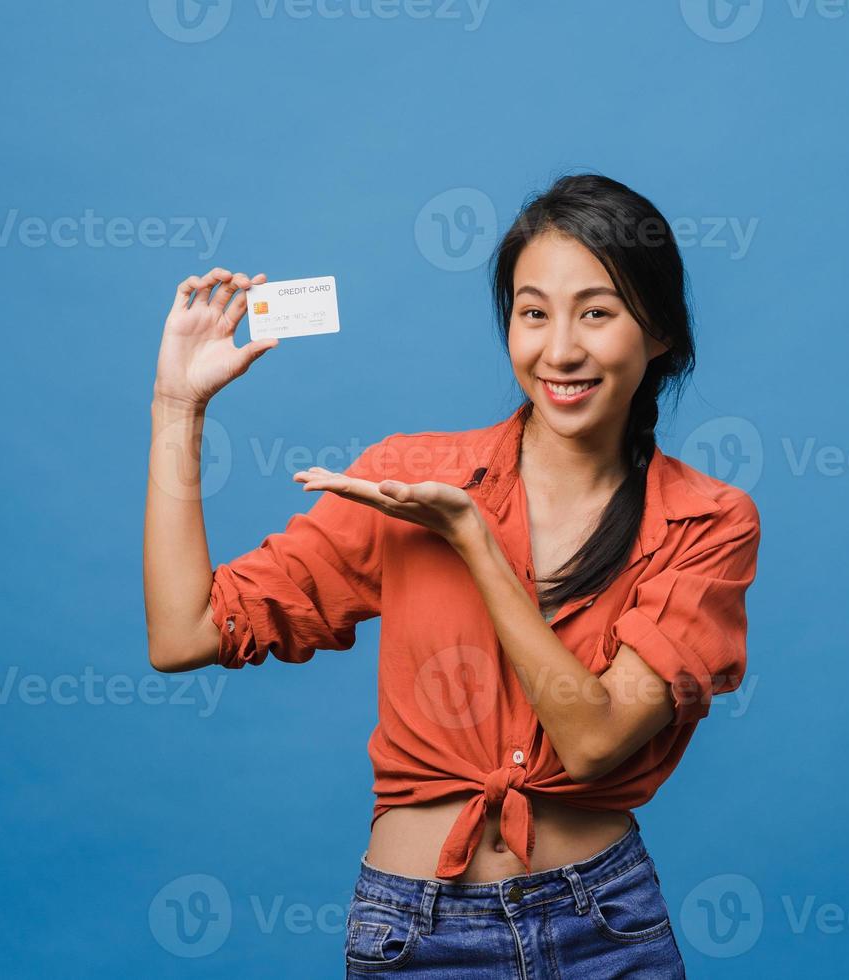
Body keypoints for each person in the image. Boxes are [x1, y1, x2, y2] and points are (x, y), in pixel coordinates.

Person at [144, 173, 761, 977]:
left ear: (660, 334)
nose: (560, 349)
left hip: (605, 927)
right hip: (417, 937)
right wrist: (176, 407)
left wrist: (472, 539)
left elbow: (595, 740)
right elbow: (185, 632)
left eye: (597, 312)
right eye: (533, 313)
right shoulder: (407, 476)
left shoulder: (706, 520)